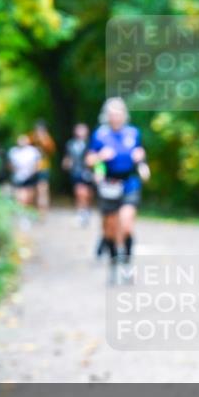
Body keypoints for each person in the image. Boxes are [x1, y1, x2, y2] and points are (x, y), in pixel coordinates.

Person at [87, 97, 145, 276]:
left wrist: (141, 161)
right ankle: (113, 261)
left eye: (119, 113)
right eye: (112, 114)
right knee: (110, 227)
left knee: (127, 224)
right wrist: (100, 157)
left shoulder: (133, 133)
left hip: (129, 183)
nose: (116, 117)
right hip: (109, 184)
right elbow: (89, 159)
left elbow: (140, 152)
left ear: (124, 115)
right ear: (107, 115)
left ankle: (127, 262)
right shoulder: (100, 135)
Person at [63, 123, 94, 226]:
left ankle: (87, 209)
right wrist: (66, 163)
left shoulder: (91, 143)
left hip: (88, 171)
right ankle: (81, 212)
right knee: (79, 192)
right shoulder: (70, 144)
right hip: (76, 171)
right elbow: (68, 156)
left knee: (88, 193)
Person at [7, 134, 41, 211]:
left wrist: (34, 172)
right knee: (20, 197)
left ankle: (27, 210)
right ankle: (22, 211)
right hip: (18, 177)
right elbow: (9, 164)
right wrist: (14, 171)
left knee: (29, 197)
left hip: (30, 176)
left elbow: (38, 164)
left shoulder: (33, 151)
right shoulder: (13, 151)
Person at [31, 120, 56, 216]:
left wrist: (43, 139)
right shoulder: (32, 137)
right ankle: (35, 211)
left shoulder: (47, 139)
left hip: (43, 167)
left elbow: (51, 150)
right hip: (32, 168)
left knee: (43, 189)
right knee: (33, 190)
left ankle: (43, 212)